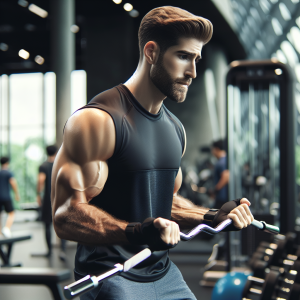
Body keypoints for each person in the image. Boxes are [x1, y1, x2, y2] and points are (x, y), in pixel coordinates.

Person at [51, 6, 254, 300]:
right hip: (112, 274)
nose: (192, 72)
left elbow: (162, 204)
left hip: (163, 272)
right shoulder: (99, 121)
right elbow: (65, 215)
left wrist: (212, 216)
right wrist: (133, 231)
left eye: (196, 59)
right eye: (183, 57)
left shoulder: (175, 129)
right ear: (151, 52)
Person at [37, 145, 66, 259]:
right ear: (56, 152)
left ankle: (49, 251)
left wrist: (38, 194)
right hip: (60, 198)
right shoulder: (61, 165)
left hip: (48, 199)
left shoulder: (43, 166)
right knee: (62, 225)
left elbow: (41, 180)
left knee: (47, 225)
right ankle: (62, 251)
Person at [0, 156, 20, 237]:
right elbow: (13, 183)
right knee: (11, 213)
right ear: (7, 163)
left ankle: (0, 234)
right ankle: (7, 228)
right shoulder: (8, 172)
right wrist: (16, 194)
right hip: (6, 196)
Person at [211, 139, 230, 209]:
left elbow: (226, 176)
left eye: (212, 149)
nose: (212, 152)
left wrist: (215, 189)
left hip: (222, 199)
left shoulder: (222, 162)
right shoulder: (226, 160)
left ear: (216, 149)